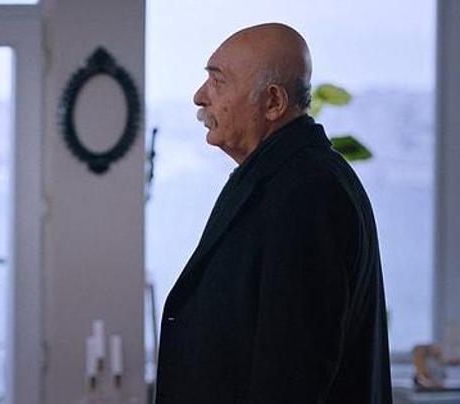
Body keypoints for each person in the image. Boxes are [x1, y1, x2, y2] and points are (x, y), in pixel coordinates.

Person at [155, 23, 391, 403]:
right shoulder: (283, 179)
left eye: (217, 82)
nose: (200, 96)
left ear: (273, 103)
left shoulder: (308, 194)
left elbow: (293, 376)